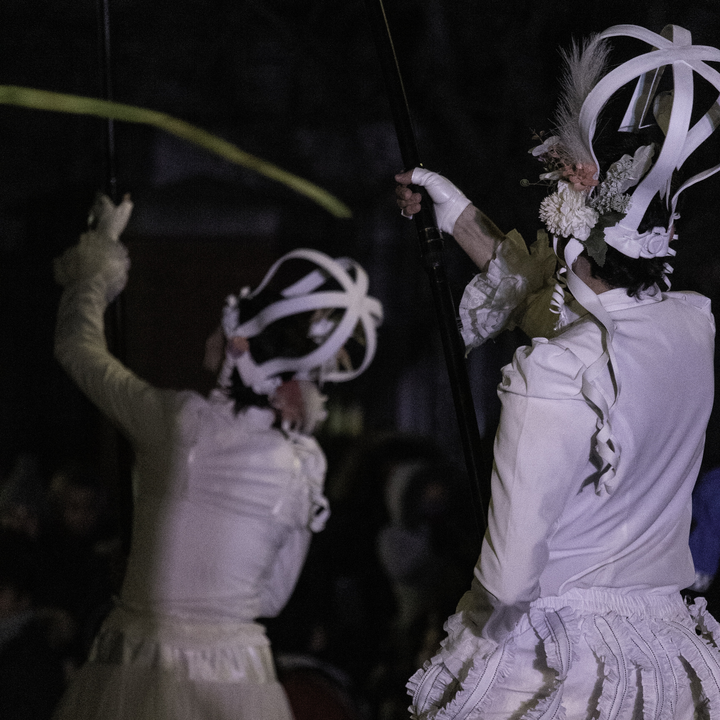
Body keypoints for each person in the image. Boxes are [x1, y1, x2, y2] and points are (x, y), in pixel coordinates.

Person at [395, 24, 720, 719]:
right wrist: (459, 218)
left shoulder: (554, 370)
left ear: (574, 221)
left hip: (552, 671)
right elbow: (558, 310)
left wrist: (470, 640)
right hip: (663, 668)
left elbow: (509, 586)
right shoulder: (691, 329)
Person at [50, 192, 382, 720]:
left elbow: (76, 348)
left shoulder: (177, 423)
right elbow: (270, 600)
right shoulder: (301, 464)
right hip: (236, 680)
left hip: (142, 668)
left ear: (239, 345)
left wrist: (100, 264)